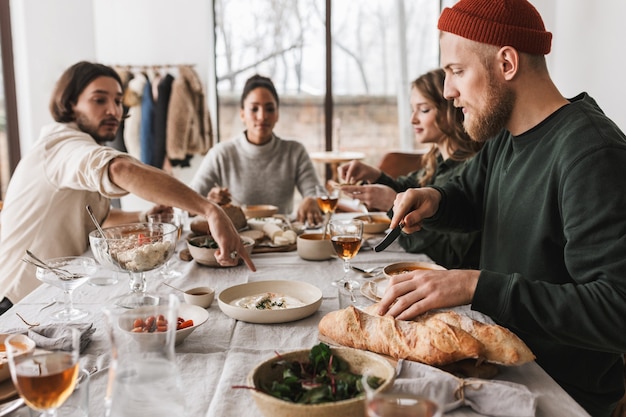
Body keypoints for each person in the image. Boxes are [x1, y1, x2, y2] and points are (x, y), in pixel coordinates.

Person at [379, 1, 626, 416]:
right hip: (493, 368)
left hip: (556, 393)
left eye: (457, 71)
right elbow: (471, 196)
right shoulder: (506, 136)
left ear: (506, 63)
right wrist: (434, 200)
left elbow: (616, 309)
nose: (447, 91)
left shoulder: (591, 152)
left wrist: (478, 286)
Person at [0, 61, 255, 315]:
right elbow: (121, 170)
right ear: (69, 103)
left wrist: (144, 218)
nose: (113, 110)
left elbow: (95, 220)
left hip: (52, 297)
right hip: (16, 305)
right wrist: (210, 210)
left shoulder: (79, 147)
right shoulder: (61, 145)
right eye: (99, 100)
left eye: (119, 101)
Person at [338, 69, 483, 269]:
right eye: (412, 109)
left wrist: (391, 203)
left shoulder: (471, 172)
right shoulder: (438, 161)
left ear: (451, 109)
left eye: (423, 110)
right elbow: (407, 187)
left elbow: (449, 253)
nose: (412, 120)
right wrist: (375, 175)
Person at [190, 74, 323, 225]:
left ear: (277, 114)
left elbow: (319, 195)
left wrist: (311, 200)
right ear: (242, 114)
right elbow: (187, 202)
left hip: (283, 240)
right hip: (235, 238)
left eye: (270, 109)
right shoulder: (220, 154)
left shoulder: (295, 151)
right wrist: (207, 203)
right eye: (254, 109)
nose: (262, 116)